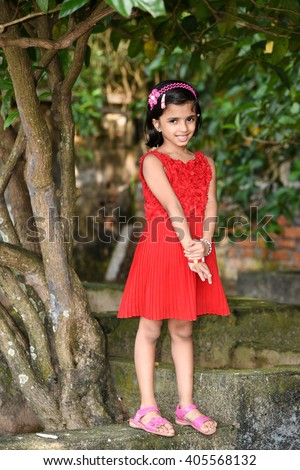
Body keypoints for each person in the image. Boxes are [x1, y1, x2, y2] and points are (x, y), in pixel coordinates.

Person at [117, 80, 230, 438]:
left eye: (190, 119)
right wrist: (189, 245)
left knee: (184, 328)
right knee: (150, 327)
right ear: (156, 123)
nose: (183, 128)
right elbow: (173, 207)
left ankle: (185, 405)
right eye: (174, 120)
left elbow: (210, 205)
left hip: (196, 246)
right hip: (164, 248)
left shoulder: (206, 162)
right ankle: (146, 408)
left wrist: (205, 245)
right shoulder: (152, 160)